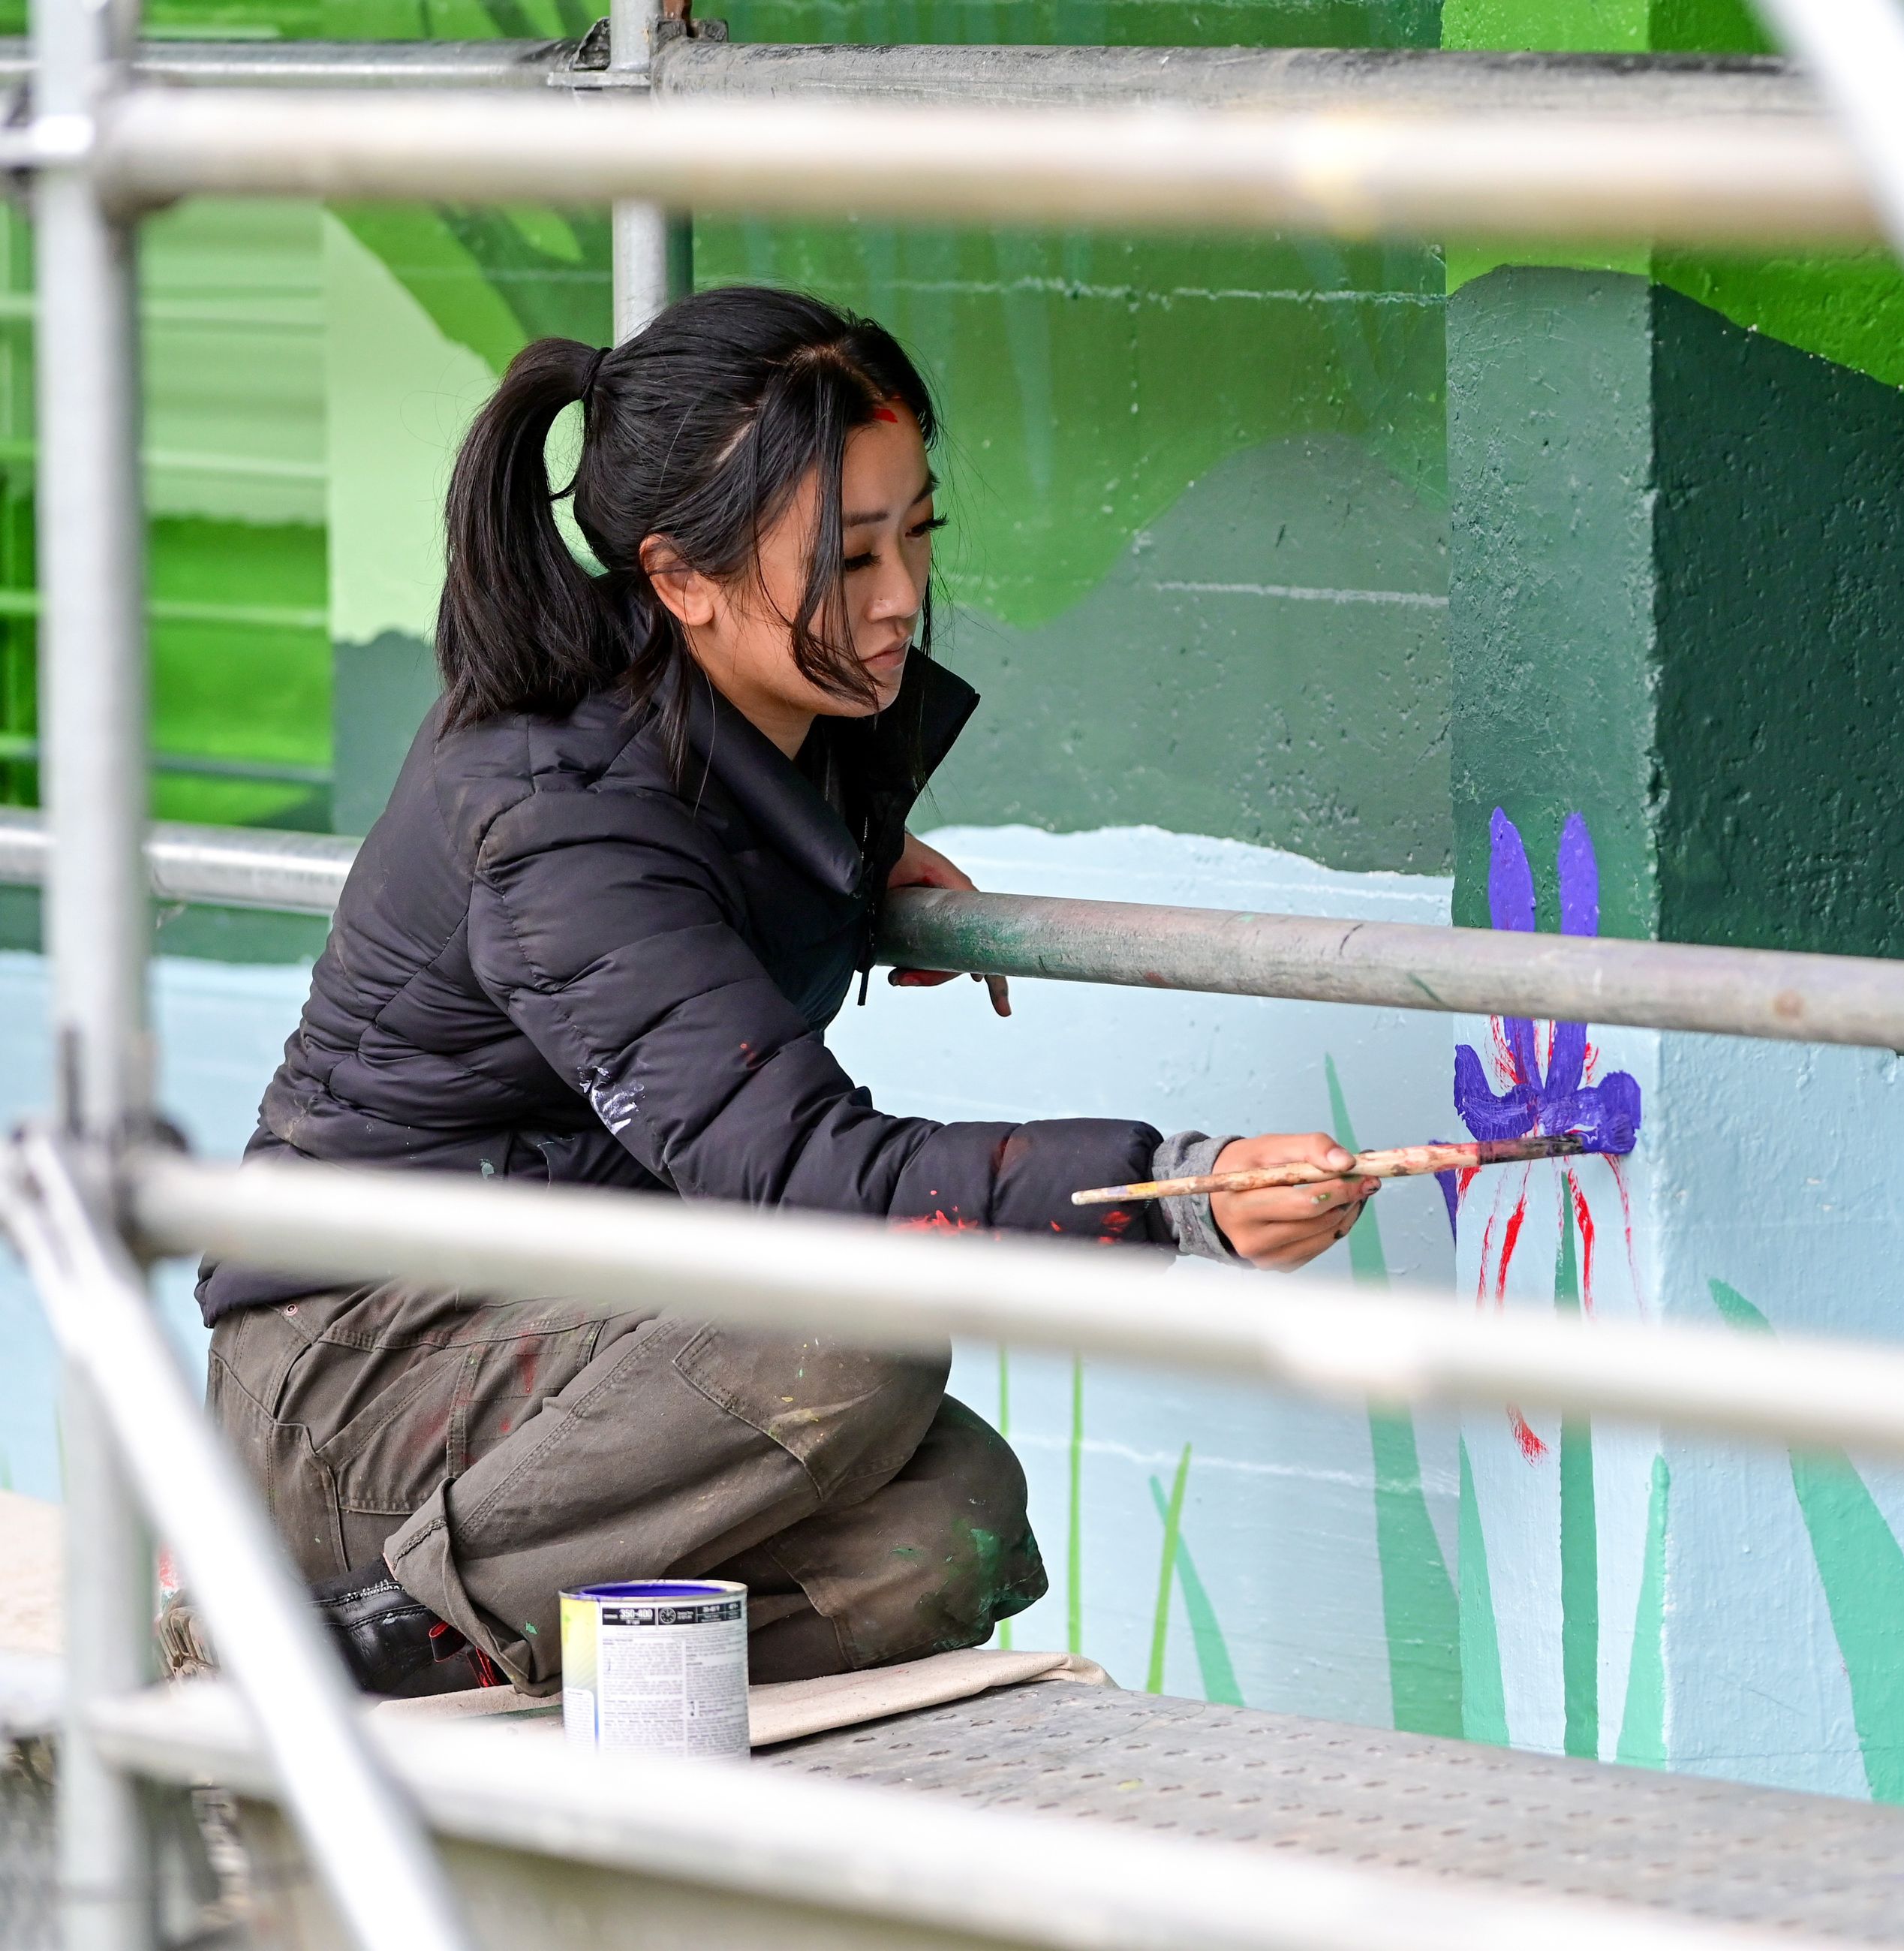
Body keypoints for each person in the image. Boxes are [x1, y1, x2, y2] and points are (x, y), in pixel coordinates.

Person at [198, 286, 1376, 1698]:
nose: (897, 598)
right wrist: (1178, 1191)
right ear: (681, 579)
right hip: (361, 1370)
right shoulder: (556, 815)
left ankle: (424, 1643)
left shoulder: (762, 734)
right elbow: (808, 1180)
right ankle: (341, 1627)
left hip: (570, 1340)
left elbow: (700, 908)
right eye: (843, 555)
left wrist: (864, 867)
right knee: (855, 1327)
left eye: (916, 533)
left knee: (951, 1529)